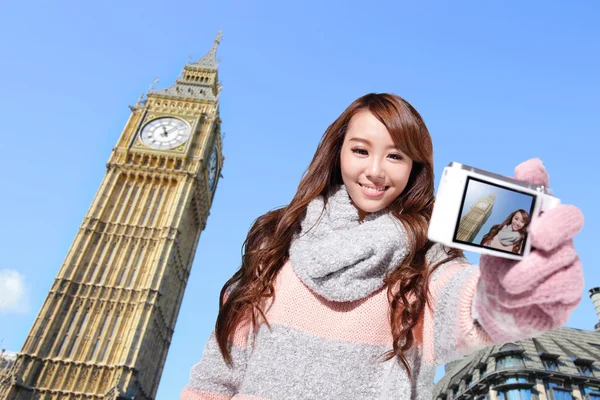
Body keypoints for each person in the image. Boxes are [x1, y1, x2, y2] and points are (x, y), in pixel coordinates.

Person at [180, 93, 584, 400]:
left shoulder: (429, 259)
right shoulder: (276, 242)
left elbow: (471, 311)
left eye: (395, 155)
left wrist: (507, 290)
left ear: (414, 169)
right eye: (360, 150)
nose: (374, 171)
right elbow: (215, 378)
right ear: (336, 151)